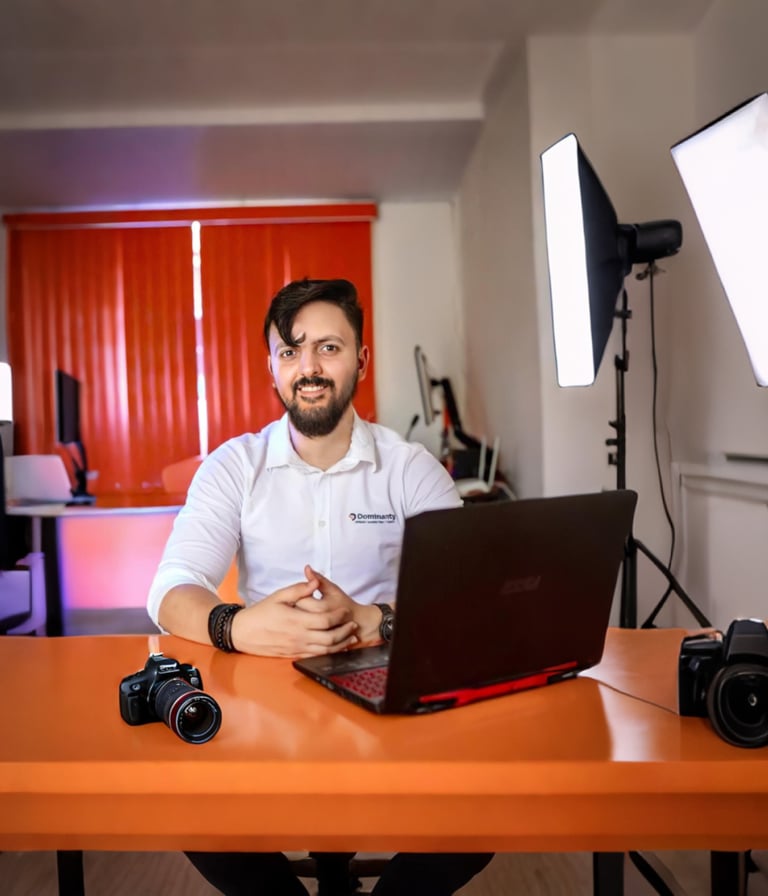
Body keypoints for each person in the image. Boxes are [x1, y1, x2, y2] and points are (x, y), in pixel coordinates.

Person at [147, 277, 493, 896]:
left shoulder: (411, 467)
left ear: (360, 359)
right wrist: (235, 624)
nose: (307, 367)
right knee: (186, 806)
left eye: (328, 348)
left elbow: (470, 595)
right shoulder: (235, 465)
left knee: (486, 813)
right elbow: (172, 587)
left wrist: (378, 620)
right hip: (263, 699)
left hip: (395, 699)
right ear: (272, 367)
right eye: (290, 351)